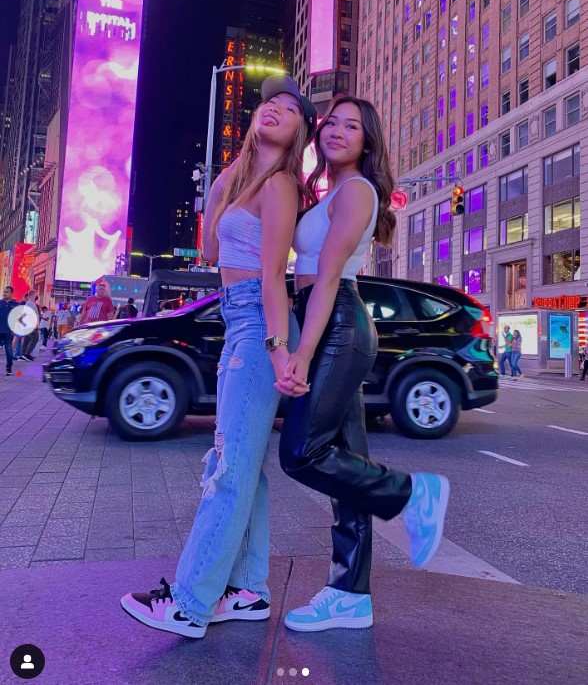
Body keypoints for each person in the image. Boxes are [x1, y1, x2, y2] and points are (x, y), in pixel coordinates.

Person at [121, 74, 317, 638]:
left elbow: (273, 275)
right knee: (246, 468)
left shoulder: (281, 186)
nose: (274, 109)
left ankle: (187, 601)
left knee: (226, 465)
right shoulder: (250, 179)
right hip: (238, 321)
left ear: (301, 130)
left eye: (288, 109)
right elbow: (210, 247)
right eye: (268, 105)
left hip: (257, 322)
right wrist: (240, 160)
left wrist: (281, 352)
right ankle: (249, 590)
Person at [276, 94, 450, 633]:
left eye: (353, 127)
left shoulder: (355, 190)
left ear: (366, 143)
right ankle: (349, 594)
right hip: (327, 322)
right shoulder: (331, 191)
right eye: (332, 123)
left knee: (301, 453)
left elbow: (328, 275)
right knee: (342, 460)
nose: (338, 131)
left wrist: (303, 351)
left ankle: (412, 493)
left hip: (336, 327)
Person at [0, 286, 18, 376]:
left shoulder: (15, 304)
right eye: (4, 291)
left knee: (9, 350)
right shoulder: (0, 303)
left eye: (6, 292)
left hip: (8, 331)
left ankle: (9, 367)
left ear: (11, 293)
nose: (4, 293)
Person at [21, 292, 40, 362]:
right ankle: (27, 354)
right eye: (35, 295)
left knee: (27, 339)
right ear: (31, 296)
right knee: (35, 338)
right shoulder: (30, 304)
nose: (36, 296)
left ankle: (23, 354)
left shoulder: (30, 303)